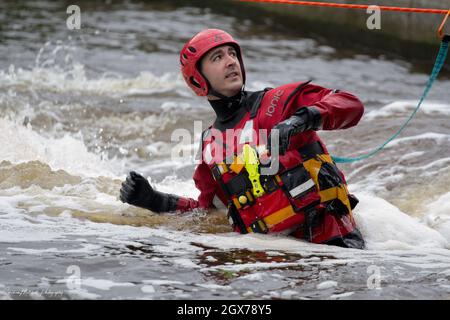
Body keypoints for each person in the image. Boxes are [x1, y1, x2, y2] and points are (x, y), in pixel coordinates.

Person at [120, 29, 365, 249]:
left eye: (232, 54)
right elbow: (209, 214)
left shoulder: (278, 102)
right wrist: (154, 200)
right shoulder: (210, 146)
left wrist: (300, 120)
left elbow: (350, 105)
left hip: (338, 248)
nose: (230, 62)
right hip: (279, 260)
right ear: (197, 80)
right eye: (217, 58)